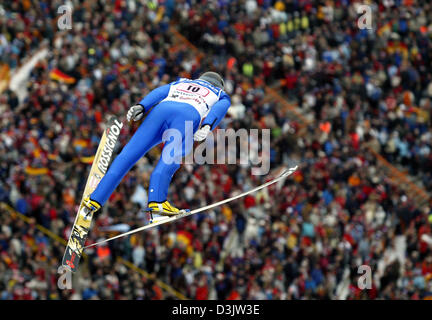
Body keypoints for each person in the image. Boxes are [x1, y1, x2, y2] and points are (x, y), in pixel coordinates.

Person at [82, 72, 231, 219]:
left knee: (128, 154)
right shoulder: (220, 93)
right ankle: (157, 202)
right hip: (187, 115)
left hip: (160, 111)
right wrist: (207, 126)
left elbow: (160, 91)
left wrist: (142, 106)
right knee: (170, 158)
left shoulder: (183, 82)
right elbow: (221, 108)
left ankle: (95, 198)